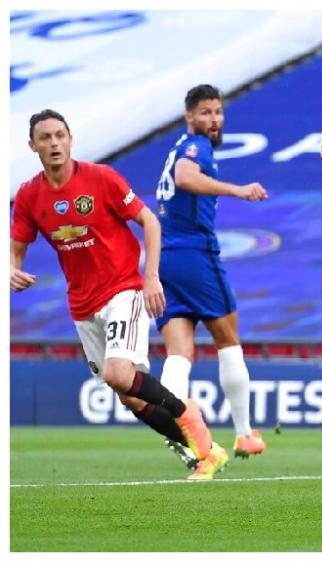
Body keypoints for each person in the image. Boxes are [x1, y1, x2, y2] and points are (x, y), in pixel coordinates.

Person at [10, 109, 224, 481]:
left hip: (123, 289)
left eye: (60, 135)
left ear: (71, 139)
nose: (54, 143)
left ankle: (184, 410)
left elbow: (149, 221)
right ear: (33, 146)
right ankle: (206, 452)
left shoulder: (101, 178)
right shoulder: (30, 196)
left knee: (117, 372)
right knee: (130, 396)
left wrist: (152, 277)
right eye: (45, 137)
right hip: (82, 304)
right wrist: (11, 267)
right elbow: (16, 245)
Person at [155, 84, 268, 466]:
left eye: (218, 111)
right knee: (228, 338)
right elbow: (187, 177)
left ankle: (179, 435)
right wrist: (237, 190)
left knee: (179, 352)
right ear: (189, 117)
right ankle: (244, 433)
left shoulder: (174, 150)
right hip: (194, 254)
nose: (214, 119)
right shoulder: (195, 147)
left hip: (164, 258)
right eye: (205, 112)